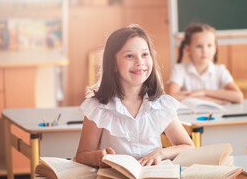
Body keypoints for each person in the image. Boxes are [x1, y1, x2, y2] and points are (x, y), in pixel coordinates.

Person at [75, 25, 194, 167]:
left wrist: (161, 153)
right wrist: (98, 157)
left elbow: (188, 146)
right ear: (113, 64)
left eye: (145, 54)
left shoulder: (160, 104)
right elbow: (82, 156)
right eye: (129, 56)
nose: (140, 62)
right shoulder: (98, 107)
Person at [167, 23, 243, 103]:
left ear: (215, 48)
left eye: (209, 45)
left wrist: (204, 92)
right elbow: (171, 97)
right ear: (187, 49)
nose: (205, 51)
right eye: (199, 46)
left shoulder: (220, 70)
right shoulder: (179, 69)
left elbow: (238, 96)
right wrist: (212, 99)